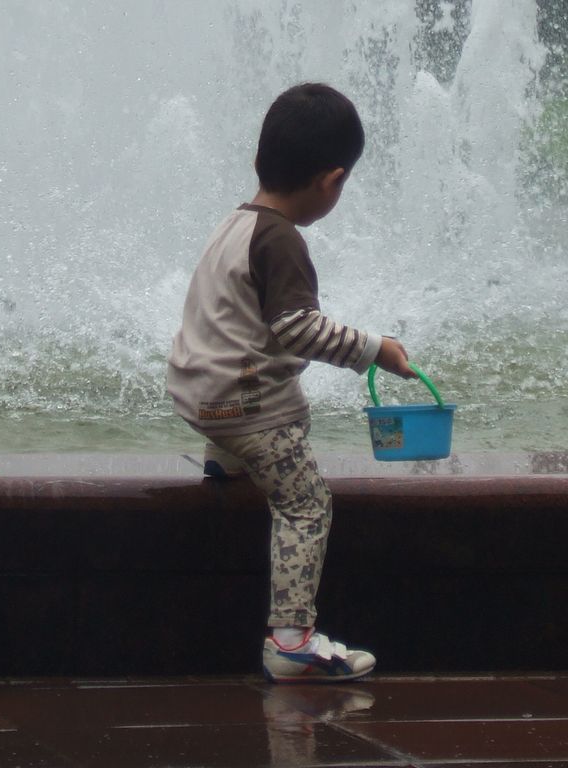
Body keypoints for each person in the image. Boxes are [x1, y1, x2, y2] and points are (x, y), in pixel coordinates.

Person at [166, 83, 415, 683]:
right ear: (332, 181)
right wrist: (373, 350)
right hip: (246, 405)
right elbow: (297, 329)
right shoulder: (281, 240)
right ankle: (291, 641)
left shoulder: (235, 222)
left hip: (199, 395)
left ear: (262, 158)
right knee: (306, 502)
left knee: (271, 408)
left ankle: (225, 458)